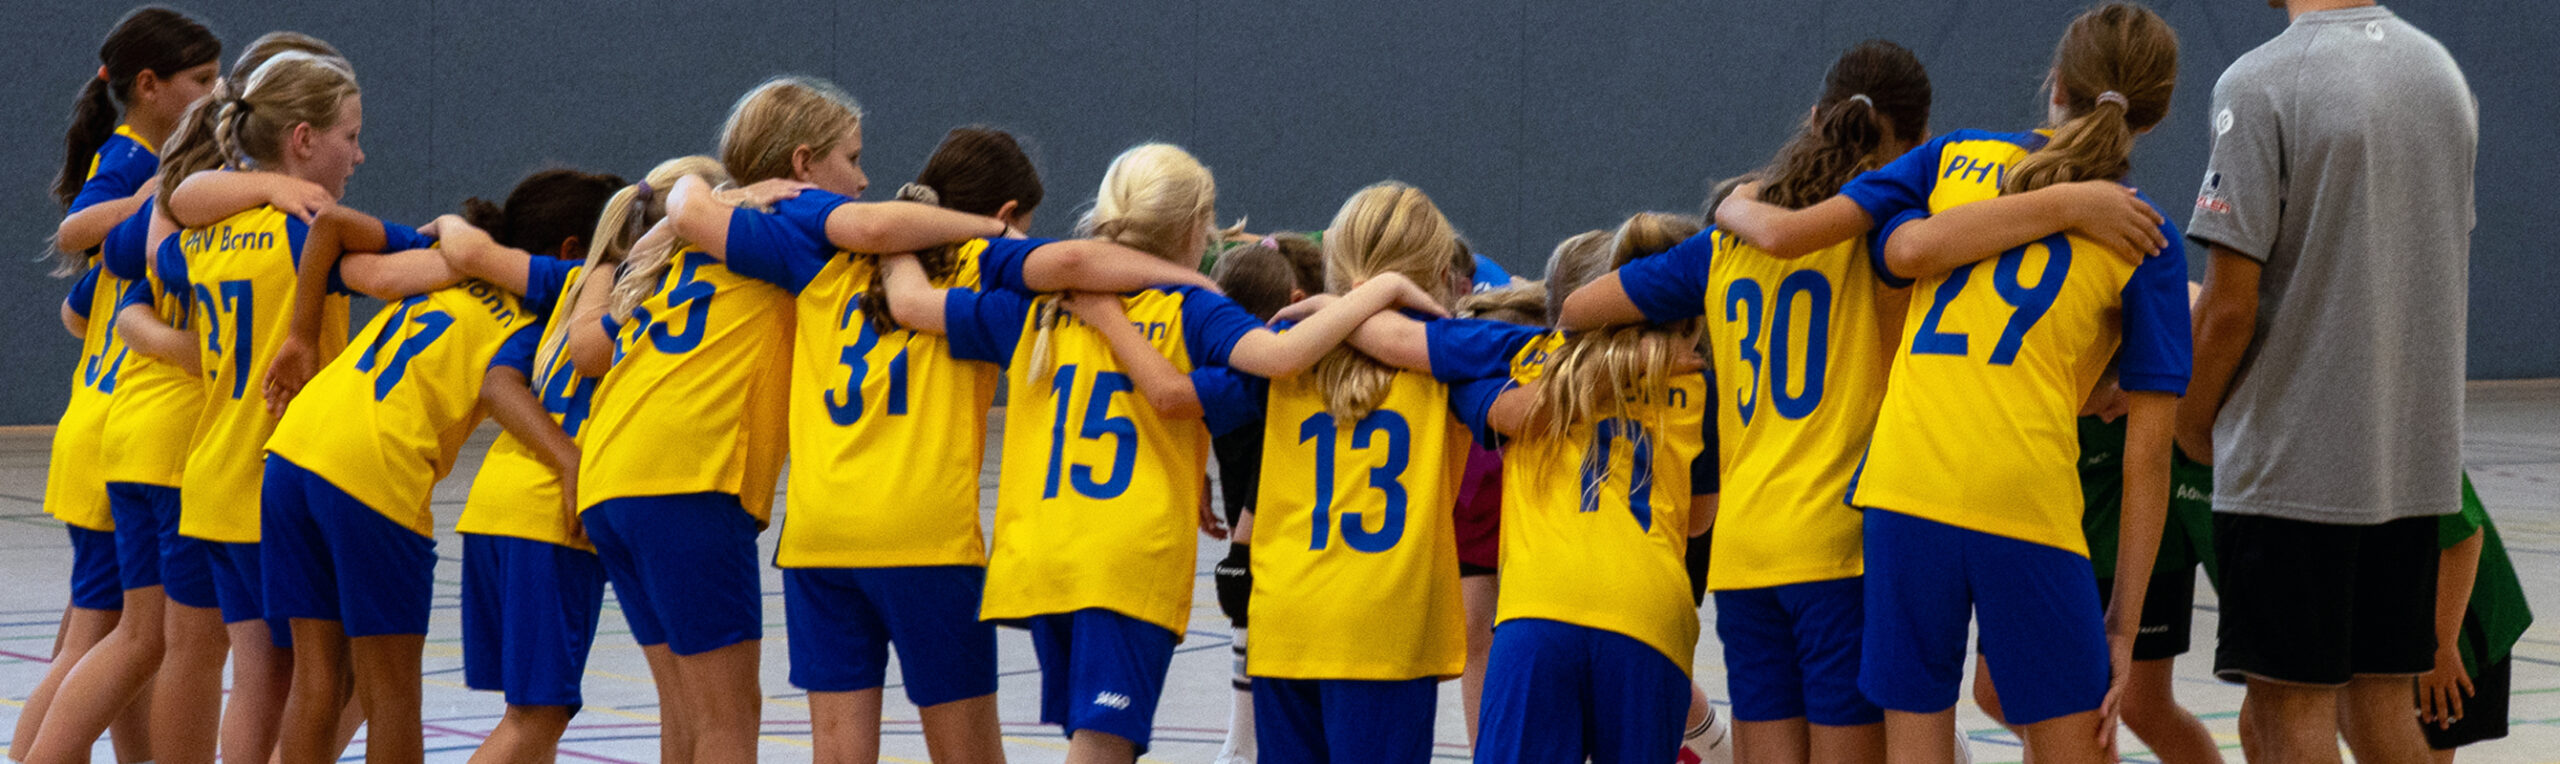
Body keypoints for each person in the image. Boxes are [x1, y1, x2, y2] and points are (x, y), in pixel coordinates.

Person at [884, 142, 1441, 764]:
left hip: (1039, 549)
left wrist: (885, 236)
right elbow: (1276, 359)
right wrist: (1375, 292)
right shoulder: (1196, 307)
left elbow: (909, 304)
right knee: (1103, 744)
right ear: (1192, 228)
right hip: (1124, 556)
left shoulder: (1040, 301)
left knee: (1094, 739)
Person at [1560, 39, 1934, 764]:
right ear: (1918, 139)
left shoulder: (1722, 246)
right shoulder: (1892, 235)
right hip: (1841, 548)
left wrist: (1661, 350)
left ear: (1817, 115)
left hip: (1744, 554)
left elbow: (1578, 306)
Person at [2178, 0, 2477, 760]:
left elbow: (2227, 309)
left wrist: (2192, 421)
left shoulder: (2260, 82)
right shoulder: (2441, 75)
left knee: (2291, 713)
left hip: (2290, 464)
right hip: (2404, 462)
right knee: (2380, 706)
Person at [17, 10, 218, 761]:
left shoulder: (155, 202)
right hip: (121, 429)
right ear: (148, 85)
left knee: (110, 638)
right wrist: (157, 198)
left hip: (100, 424)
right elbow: (73, 230)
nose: (215, 91)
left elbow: (77, 315)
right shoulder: (139, 164)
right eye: (201, 80)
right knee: (113, 641)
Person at [450, 168, 627, 764]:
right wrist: (573, 462)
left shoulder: (546, 318)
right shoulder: (620, 302)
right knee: (536, 718)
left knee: (530, 718)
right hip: (550, 521)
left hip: (491, 508)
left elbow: (498, 385)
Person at [2416, 475, 2532, 761]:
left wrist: (2441, 648)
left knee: (2428, 733)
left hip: (2459, 619)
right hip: (2410, 604)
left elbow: (2464, 537)